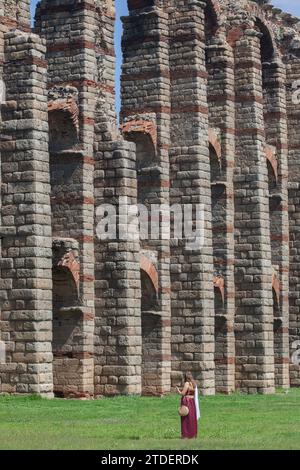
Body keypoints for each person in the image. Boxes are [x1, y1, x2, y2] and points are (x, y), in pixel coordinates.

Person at [177, 371, 200, 439]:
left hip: (187, 402)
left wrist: (178, 391)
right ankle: (193, 434)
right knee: (192, 418)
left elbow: (183, 393)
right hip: (192, 401)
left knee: (186, 418)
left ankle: (186, 435)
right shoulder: (193, 383)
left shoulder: (187, 383)